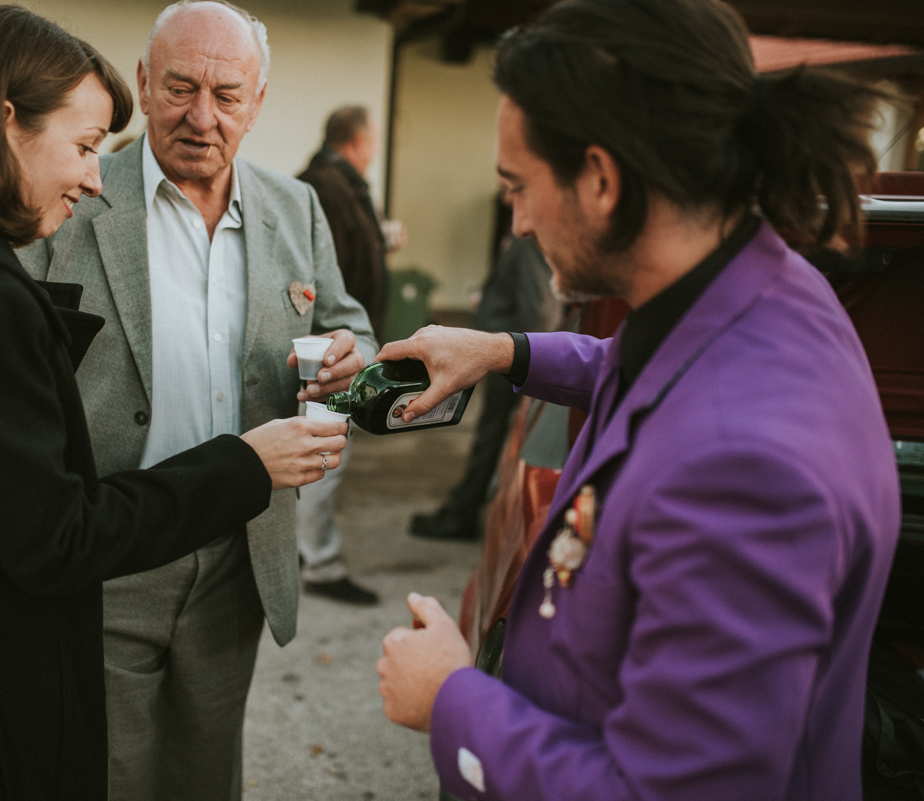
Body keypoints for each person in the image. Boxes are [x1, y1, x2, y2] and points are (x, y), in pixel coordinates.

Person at [0, 7, 346, 801]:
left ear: (259, 99)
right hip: (28, 611)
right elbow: (52, 535)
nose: (90, 173)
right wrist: (244, 463)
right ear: (8, 124)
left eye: (228, 92)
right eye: (83, 146)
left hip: (211, 569)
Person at [374, 0, 901, 798]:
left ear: (601, 179)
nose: (514, 223)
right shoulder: (757, 287)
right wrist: (498, 350)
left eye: (517, 186)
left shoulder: (746, 467)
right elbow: (638, 368)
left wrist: (452, 700)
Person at [16, 2, 377, 798]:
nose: (202, 116)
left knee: (205, 774)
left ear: (258, 101)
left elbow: (350, 325)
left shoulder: (295, 207)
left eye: (228, 94)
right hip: (109, 547)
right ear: (143, 84)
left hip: (238, 552)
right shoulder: (73, 189)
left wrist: (356, 361)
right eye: (180, 87)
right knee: (103, 772)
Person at [293, 105, 399, 604]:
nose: (374, 150)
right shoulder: (326, 191)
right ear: (359, 141)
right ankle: (319, 562)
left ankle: (302, 549)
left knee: (319, 453)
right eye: (373, 140)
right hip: (328, 351)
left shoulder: (335, 186)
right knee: (323, 456)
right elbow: (320, 278)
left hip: (341, 344)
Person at [410, 234, 562, 541]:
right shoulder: (525, 238)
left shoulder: (529, 241)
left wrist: (532, 373)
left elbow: (540, 311)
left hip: (512, 361)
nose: (507, 196)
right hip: (510, 355)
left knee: (491, 437)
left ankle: (462, 513)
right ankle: (462, 507)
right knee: (490, 435)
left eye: (514, 187)